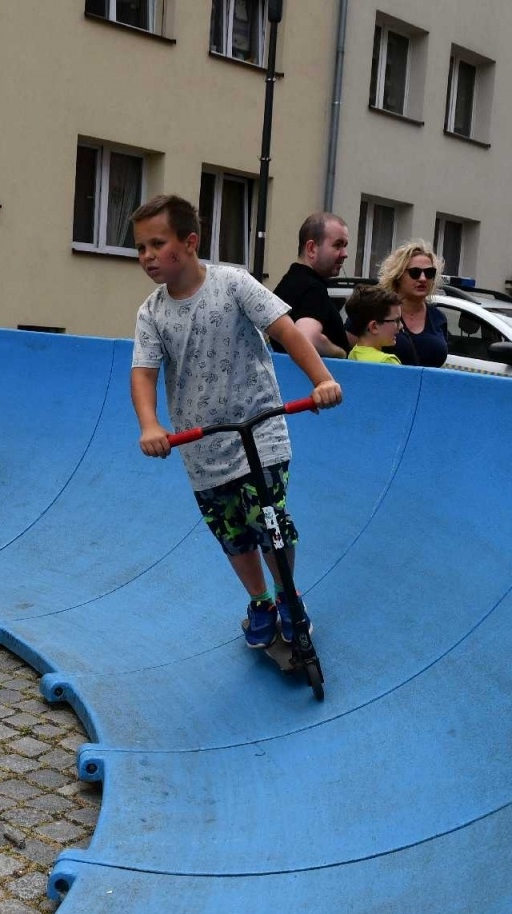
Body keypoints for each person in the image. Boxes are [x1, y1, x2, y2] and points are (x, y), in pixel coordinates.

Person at [129, 194, 343, 649]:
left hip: (260, 431)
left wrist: (322, 380)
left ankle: (289, 596)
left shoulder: (233, 284)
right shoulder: (152, 313)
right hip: (202, 447)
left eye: (156, 244)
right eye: (140, 248)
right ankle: (261, 602)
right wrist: (150, 425)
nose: (146, 256)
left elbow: (286, 330)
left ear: (190, 242)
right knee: (233, 535)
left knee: (268, 521)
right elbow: (144, 373)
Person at [271, 212, 351, 358]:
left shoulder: (288, 283)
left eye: (345, 246)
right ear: (312, 248)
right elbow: (308, 338)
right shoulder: (313, 288)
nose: (345, 254)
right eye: (338, 245)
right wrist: (341, 353)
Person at [378, 240, 449, 368]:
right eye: (415, 272)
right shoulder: (376, 310)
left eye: (429, 273)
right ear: (398, 275)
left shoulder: (438, 318)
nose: (423, 279)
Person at [342, 287, 402, 365]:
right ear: (374, 327)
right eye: (396, 321)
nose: (401, 326)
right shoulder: (388, 361)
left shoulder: (353, 354)